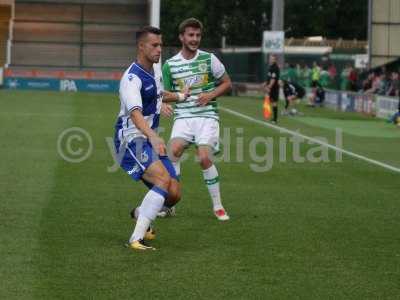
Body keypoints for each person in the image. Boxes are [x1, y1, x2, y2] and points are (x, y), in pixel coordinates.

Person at [114, 26, 187, 250]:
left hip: (147, 138)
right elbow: (135, 114)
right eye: (154, 45)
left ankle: (140, 213)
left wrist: (183, 96)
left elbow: (158, 93)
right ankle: (136, 239)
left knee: (174, 194)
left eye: (160, 45)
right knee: (163, 181)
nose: (158, 49)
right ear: (141, 46)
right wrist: (154, 137)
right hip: (131, 141)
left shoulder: (153, 72)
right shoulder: (131, 78)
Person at [161, 18, 232, 221]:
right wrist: (164, 104)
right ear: (182, 37)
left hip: (207, 116)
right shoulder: (170, 65)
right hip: (183, 116)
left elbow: (227, 83)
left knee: (203, 157)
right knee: (172, 152)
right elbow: (163, 93)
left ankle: (218, 206)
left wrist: (210, 95)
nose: (195, 39)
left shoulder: (209, 59)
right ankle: (170, 204)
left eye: (198, 35)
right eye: (190, 35)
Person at [263, 54, 280, 123]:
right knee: (268, 101)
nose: (270, 59)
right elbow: (269, 78)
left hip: (274, 88)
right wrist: (265, 83)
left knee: (274, 102)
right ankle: (268, 115)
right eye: (270, 58)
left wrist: (269, 87)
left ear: (275, 60)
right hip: (270, 87)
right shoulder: (271, 67)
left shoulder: (275, 67)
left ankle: (275, 119)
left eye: (272, 58)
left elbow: (273, 79)